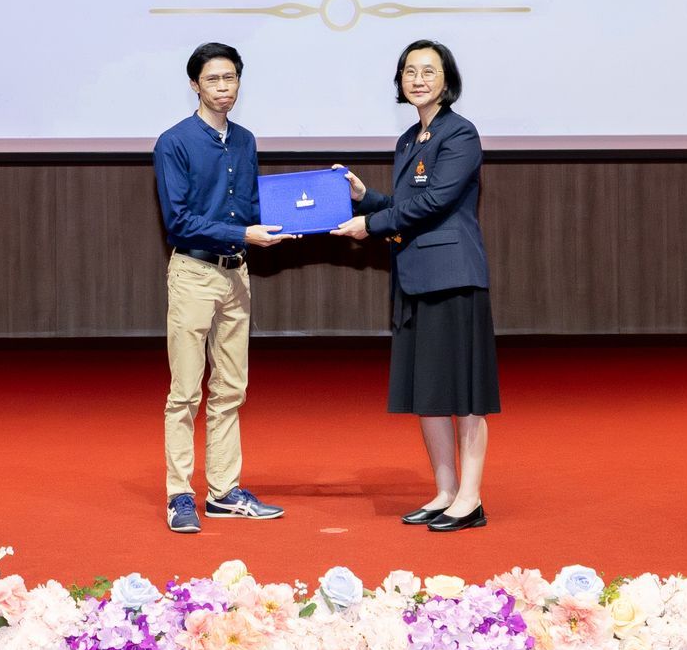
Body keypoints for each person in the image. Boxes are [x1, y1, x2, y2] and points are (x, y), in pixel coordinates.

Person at [331, 39, 498, 532]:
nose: (417, 79)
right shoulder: (409, 139)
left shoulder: (460, 133)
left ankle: (470, 498)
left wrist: (370, 225)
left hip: (452, 277)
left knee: (464, 392)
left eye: (428, 70)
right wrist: (366, 198)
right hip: (415, 276)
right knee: (429, 390)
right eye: (409, 71)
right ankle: (445, 491)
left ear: (447, 80)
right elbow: (406, 204)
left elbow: (435, 202)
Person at [154, 42, 291, 534]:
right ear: (195, 84)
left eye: (230, 78)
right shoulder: (174, 142)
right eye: (212, 79)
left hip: (237, 274)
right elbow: (178, 220)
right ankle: (179, 495)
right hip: (194, 273)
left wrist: (310, 208)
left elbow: (251, 206)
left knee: (231, 388)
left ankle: (223, 492)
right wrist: (244, 232)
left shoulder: (246, 140)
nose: (223, 87)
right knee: (185, 392)